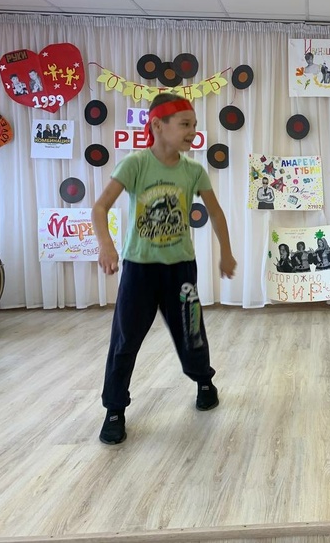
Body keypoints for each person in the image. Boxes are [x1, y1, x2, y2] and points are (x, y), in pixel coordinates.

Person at [91, 93, 237, 445]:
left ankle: (204, 381)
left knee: (191, 332)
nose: (192, 131)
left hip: (180, 269)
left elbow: (216, 212)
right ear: (158, 125)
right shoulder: (135, 165)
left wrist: (227, 252)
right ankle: (114, 409)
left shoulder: (193, 170)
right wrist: (107, 245)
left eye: (194, 125)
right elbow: (100, 208)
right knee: (125, 340)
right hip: (139, 271)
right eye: (185, 124)